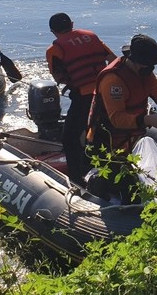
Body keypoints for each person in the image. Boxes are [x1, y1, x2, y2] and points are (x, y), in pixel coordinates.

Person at [86, 34, 157, 203]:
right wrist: (147, 120)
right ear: (133, 59)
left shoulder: (144, 73)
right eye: (148, 64)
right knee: (126, 186)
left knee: (139, 173)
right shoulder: (113, 80)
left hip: (132, 138)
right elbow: (116, 118)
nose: (151, 68)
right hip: (108, 142)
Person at [46, 13, 117, 184]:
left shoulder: (54, 50)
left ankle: (76, 181)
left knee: (69, 139)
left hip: (84, 98)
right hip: (105, 95)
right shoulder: (91, 36)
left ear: (52, 31)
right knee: (103, 135)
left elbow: (59, 78)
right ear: (72, 23)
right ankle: (109, 175)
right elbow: (113, 60)